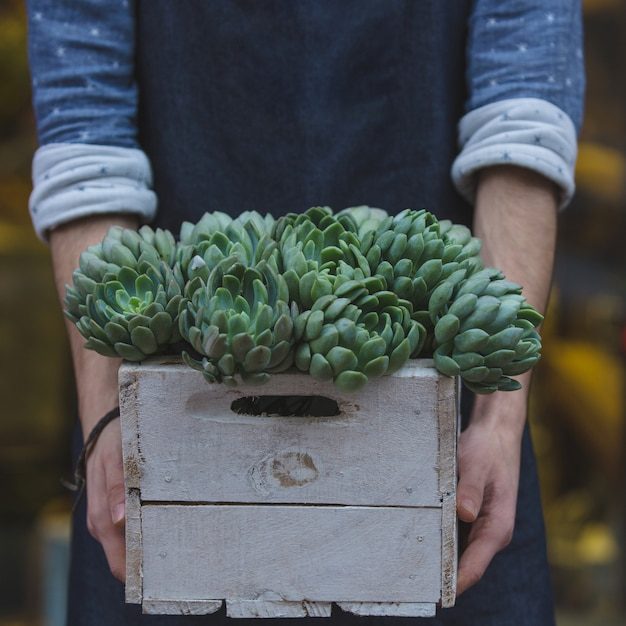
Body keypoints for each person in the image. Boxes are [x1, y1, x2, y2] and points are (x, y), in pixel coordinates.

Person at [26, 1, 584, 624]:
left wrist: (499, 422)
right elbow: (85, 131)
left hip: (442, 444)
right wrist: (108, 418)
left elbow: (524, 115)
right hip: (175, 444)